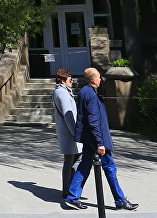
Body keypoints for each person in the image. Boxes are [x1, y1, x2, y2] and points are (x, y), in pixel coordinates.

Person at [64, 67, 138, 211]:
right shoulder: (90, 94)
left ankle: (73, 197)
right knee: (110, 168)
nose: (100, 79)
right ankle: (120, 200)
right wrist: (100, 143)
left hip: (89, 139)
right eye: (98, 77)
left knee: (84, 167)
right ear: (93, 79)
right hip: (96, 140)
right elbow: (93, 121)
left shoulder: (86, 91)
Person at [51, 69, 82, 200]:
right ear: (63, 80)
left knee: (71, 160)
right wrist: (76, 133)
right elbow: (68, 115)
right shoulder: (62, 93)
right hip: (69, 133)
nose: (72, 82)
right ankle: (69, 190)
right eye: (70, 79)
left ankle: (68, 189)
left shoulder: (61, 92)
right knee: (72, 160)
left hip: (67, 132)